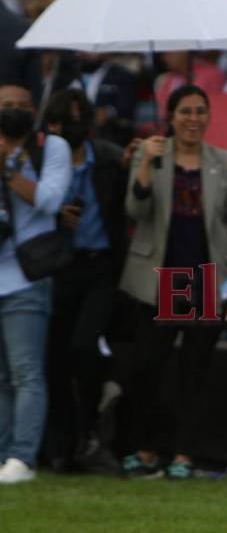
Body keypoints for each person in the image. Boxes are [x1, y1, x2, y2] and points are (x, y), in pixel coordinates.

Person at [119, 84, 227, 480]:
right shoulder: (152, 153)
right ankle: (146, 449)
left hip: (207, 280)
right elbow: (133, 210)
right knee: (149, 367)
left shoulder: (225, 163)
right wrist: (145, 163)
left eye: (200, 111)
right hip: (156, 279)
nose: (193, 119)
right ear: (171, 116)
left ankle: (183, 453)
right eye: (185, 112)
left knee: (195, 371)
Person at [41, 89, 128, 474]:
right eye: (61, 122)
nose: (69, 129)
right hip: (60, 266)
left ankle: (90, 427)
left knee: (83, 346)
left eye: (77, 120)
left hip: (100, 266)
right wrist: (56, 217)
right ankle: (63, 440)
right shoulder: (45, 165)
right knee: (55, 358)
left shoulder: (108, 160)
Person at [0, 82, 71, 484]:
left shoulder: (51, 147)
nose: (13, 111)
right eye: (5, 105)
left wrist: (9, 170)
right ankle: (2, 452)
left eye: (21, 106)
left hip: (26, 276)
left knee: (26, 370)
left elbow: (50, 200)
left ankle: (22, 457)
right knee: (1, 376)